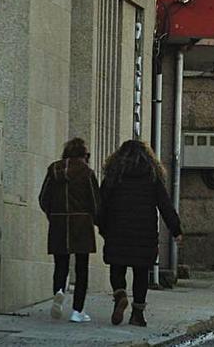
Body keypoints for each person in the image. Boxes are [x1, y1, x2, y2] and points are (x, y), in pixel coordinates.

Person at [98, 140, 182, 327]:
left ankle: (120, 294)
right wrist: (176, 230)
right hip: (144, 234)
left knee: (117, 268)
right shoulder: (152, 176)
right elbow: (165, 205)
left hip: (117, 231)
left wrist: (103, 228)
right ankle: (137, 315)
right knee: (141, 273)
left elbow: (100, 204)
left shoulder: (113, 175)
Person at [37, 137, 100, 323]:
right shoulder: (87, 173)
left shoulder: (53, 170)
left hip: (58, 223)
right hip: (81, 223)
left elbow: (43, 198)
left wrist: (52, 214)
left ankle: (58, 291)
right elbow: (96, 202)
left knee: (60, 264)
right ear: (83, 155)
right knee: (81, 269)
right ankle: (77, 311)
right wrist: (95, 220)